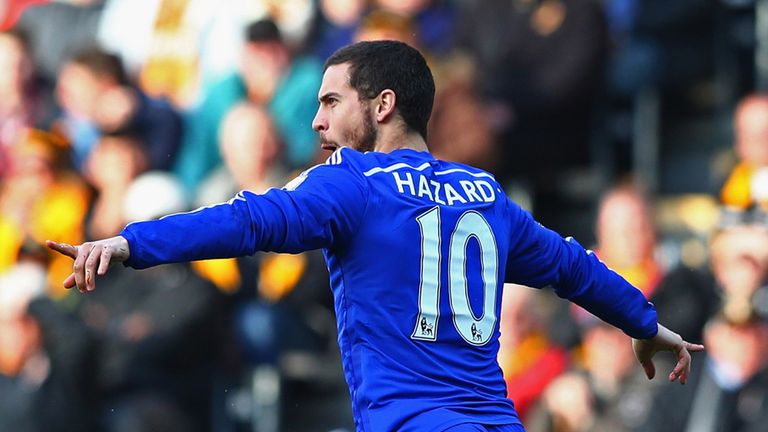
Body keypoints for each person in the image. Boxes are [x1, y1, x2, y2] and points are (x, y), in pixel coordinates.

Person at [47, 40, 703, 432]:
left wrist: (133, 242)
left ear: (383, 104)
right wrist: (644, 323)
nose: (317, 117)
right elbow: (573, 267)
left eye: (332, 101)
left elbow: (246, 220)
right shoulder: (485, 193)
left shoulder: (352, 183)